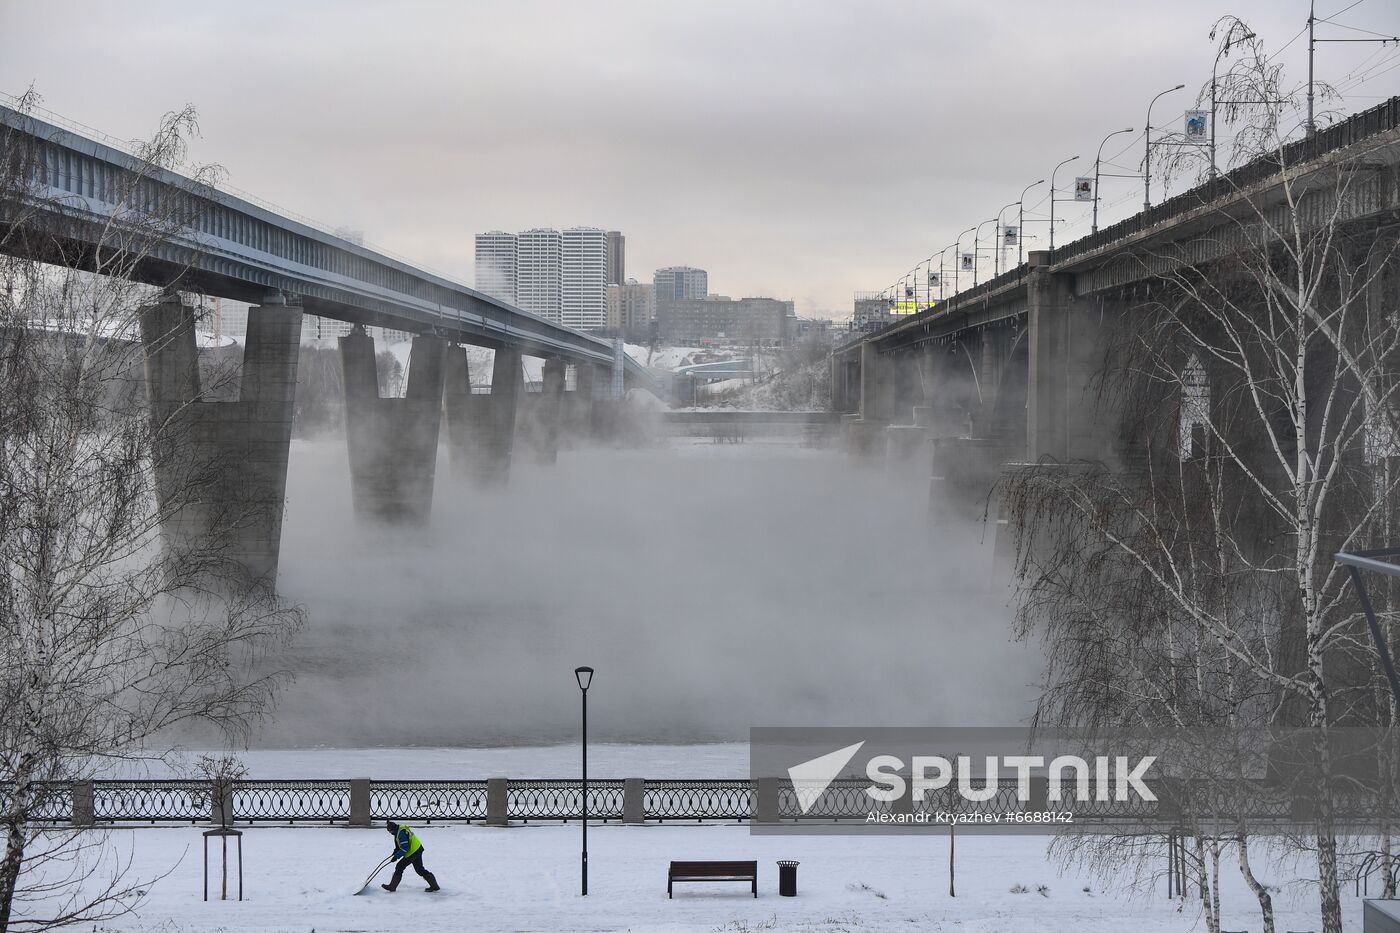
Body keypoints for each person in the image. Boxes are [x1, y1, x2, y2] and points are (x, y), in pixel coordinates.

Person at [381, 820, 440, 893]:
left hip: (412, 852)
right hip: (417, 849)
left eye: (390, 831)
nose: (390, 833)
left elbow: (405, 847)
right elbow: (399, 844)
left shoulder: (401, 833)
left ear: (393, 829)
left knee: (400, 866)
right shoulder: (399, 829)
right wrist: (395, 852)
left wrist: (396, 856)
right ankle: (434, 886)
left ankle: (392, 887)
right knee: (419, 870)